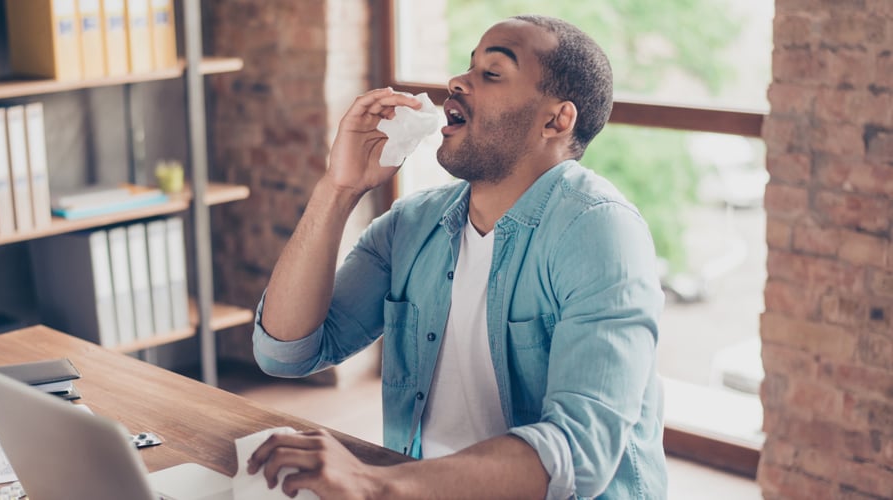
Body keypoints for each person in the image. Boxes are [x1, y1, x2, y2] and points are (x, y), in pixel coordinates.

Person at [247, 13, 668, 499]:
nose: (456, 82)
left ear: (556, 120)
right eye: (469, 67)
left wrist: (374, 483)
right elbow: (284, 352)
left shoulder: (599, 230)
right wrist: (338, 188)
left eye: (492, 73)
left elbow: (579, 452)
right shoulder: (415, 223)